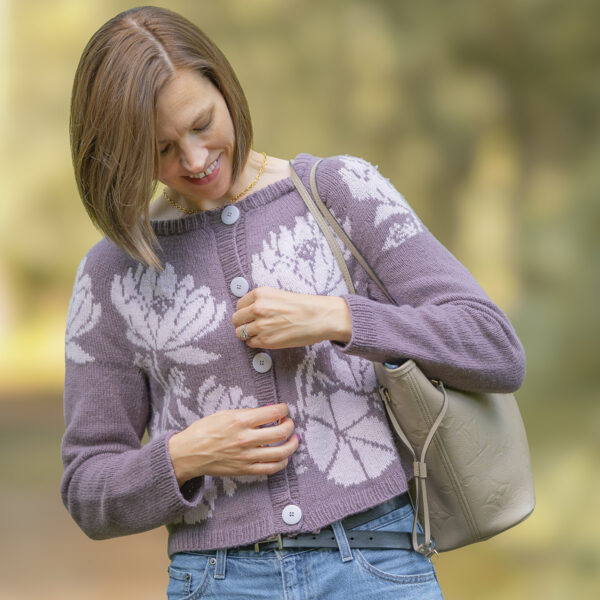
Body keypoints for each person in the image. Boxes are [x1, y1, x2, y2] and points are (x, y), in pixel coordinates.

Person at [61, 6, 526, 599]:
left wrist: (339, 318)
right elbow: (87, 488)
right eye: (162, 151)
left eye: (203, 124)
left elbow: (493, 347)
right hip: (218, 581)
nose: (197, 160)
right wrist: (184, 455)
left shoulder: (342, 192)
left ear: (225, 88)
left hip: (377, 567)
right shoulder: (113, 272)